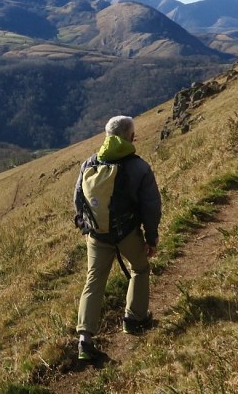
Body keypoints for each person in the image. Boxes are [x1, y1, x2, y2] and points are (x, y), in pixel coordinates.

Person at [73, 115, 162, 360]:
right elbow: (151, 207)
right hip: (126, 233)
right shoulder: (139, 167)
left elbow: (78, 200)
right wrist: (151, 239)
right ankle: (134, 320)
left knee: (94, 281)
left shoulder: (89, 163)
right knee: (140, 269)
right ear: (131, 137)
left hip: (97, 235)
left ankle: (84, 341)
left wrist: (87, 225)